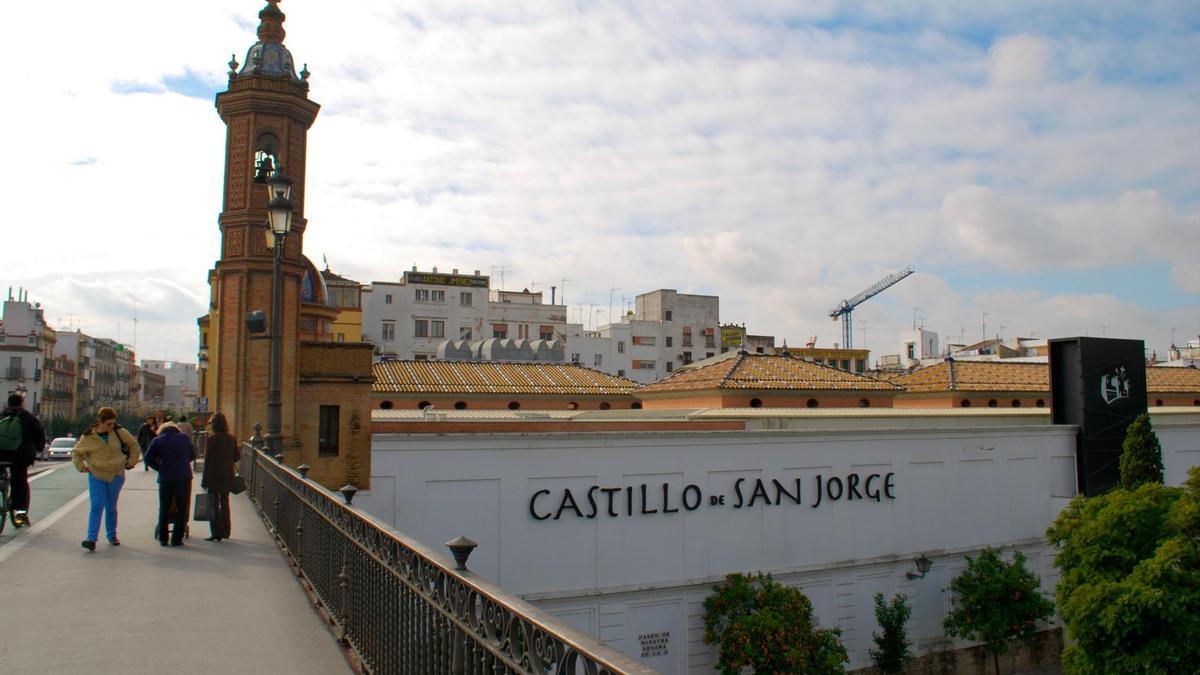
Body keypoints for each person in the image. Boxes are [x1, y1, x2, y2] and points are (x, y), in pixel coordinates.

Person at [71, 407, 139, 550]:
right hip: (97, 475)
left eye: (113, 423)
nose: (111, 426)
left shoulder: (120, 432)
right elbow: (76, 453)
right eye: (108, 424)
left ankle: (112, 534)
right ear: (100, 422)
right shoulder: (89, 437)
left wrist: (132, 461)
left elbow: (134, 445)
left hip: (116, 475)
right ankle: (91, 538)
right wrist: (81, 466)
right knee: (96, 506)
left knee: (111, 507)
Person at [144, 421, 195, 547]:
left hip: (166, 478)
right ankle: (177, 539)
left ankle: (163, 538)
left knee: (164, 508)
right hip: (183, 477)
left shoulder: (158, 440)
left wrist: (160, 467)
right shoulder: (184, 438)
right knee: (182, 508)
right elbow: (192, 455)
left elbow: (147, 458)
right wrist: (183, 462)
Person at [0, 393, 46, 528]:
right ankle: (20, 514)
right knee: (20, 482)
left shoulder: (1, 416)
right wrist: (37, 449)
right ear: (22, 404)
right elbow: (40, 437)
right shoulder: (28, 418)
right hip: (20, 457)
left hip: (1, 455)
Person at [200, 412, 241, 541]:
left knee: (213, 504)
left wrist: (205, 480)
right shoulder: (231, 438)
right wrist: (227, 461)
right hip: (227, 475)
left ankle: (216, 532)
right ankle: (226, 531)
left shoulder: (212, 439)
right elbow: (237, 456)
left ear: (214, 425)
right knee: (225, 503)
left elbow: (208, 461)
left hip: (214, 476)